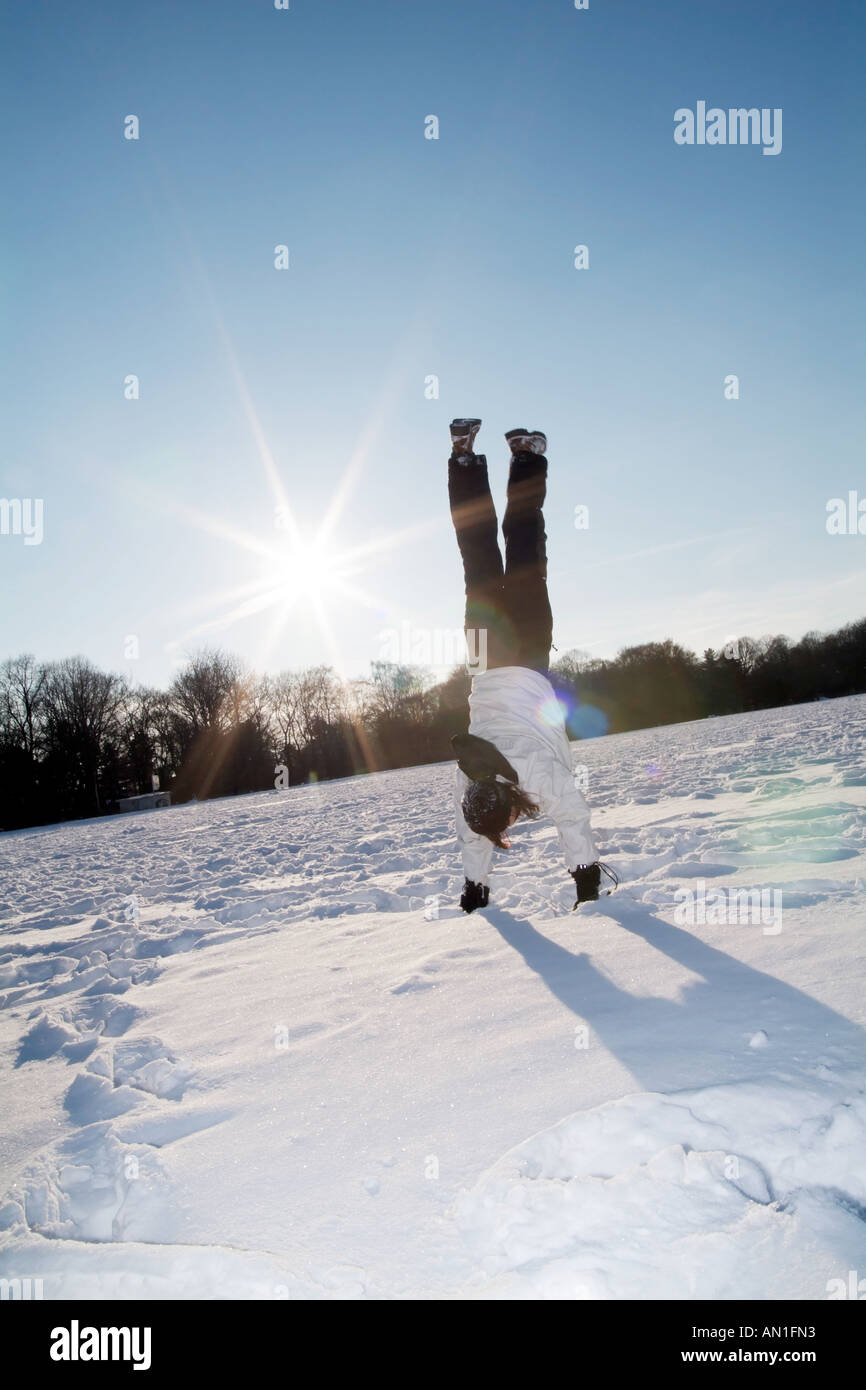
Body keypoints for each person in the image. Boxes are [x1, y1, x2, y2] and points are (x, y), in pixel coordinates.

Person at [447, 418, 615, 913]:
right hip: (480, 660)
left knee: (522, 545)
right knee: (476, 554)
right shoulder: (468, 776)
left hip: (523, 658)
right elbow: (470, 833)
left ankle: (526, 456)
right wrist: (474, 886)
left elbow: (573, 816)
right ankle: (463, 456)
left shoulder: (536, 775)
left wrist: (586, 880)